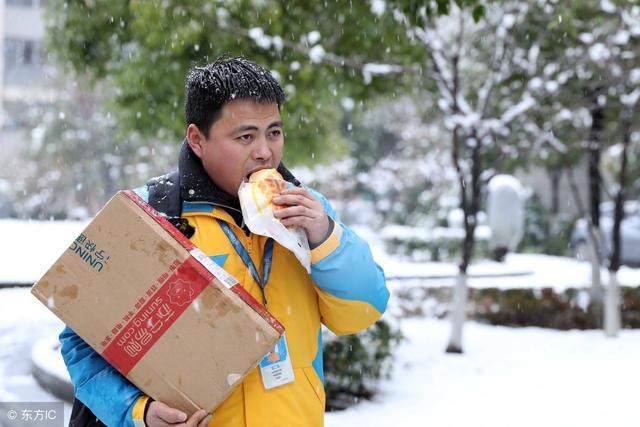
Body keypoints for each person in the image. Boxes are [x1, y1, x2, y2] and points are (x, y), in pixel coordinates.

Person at [59, 57, 389, 427]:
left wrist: (326, 235)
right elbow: (82, 343)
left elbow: (363, 311)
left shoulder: (306, 212)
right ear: (197, 140)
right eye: (246, 136)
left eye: (274, 132)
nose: (265, 151)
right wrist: (140, 413)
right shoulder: (149, 214)